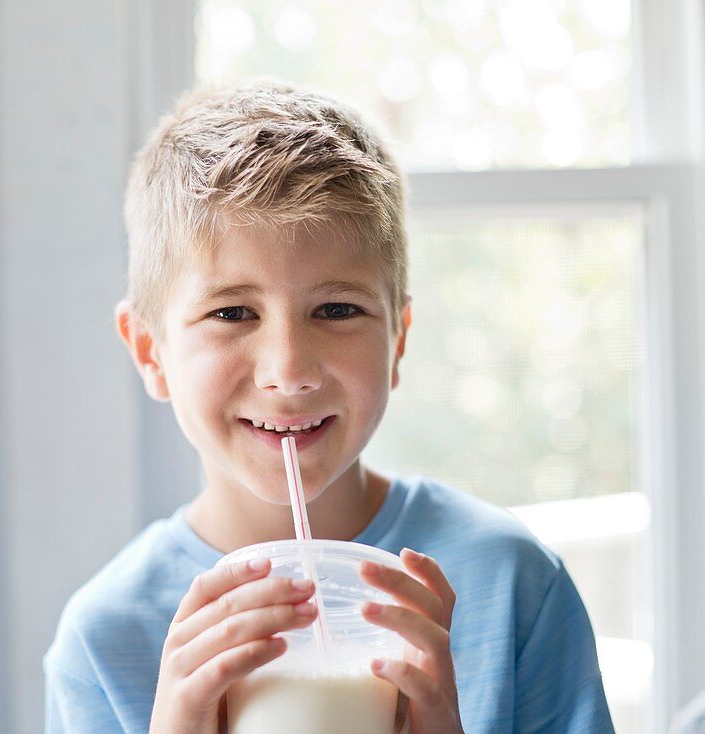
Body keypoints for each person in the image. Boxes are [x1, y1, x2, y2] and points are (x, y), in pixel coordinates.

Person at [44, 79, 614, 734]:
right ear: (150, 350)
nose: (289, 371)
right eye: (232, 312)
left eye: (337, 309)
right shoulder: (103, 644)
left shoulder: (512, 588)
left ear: (398, 341)